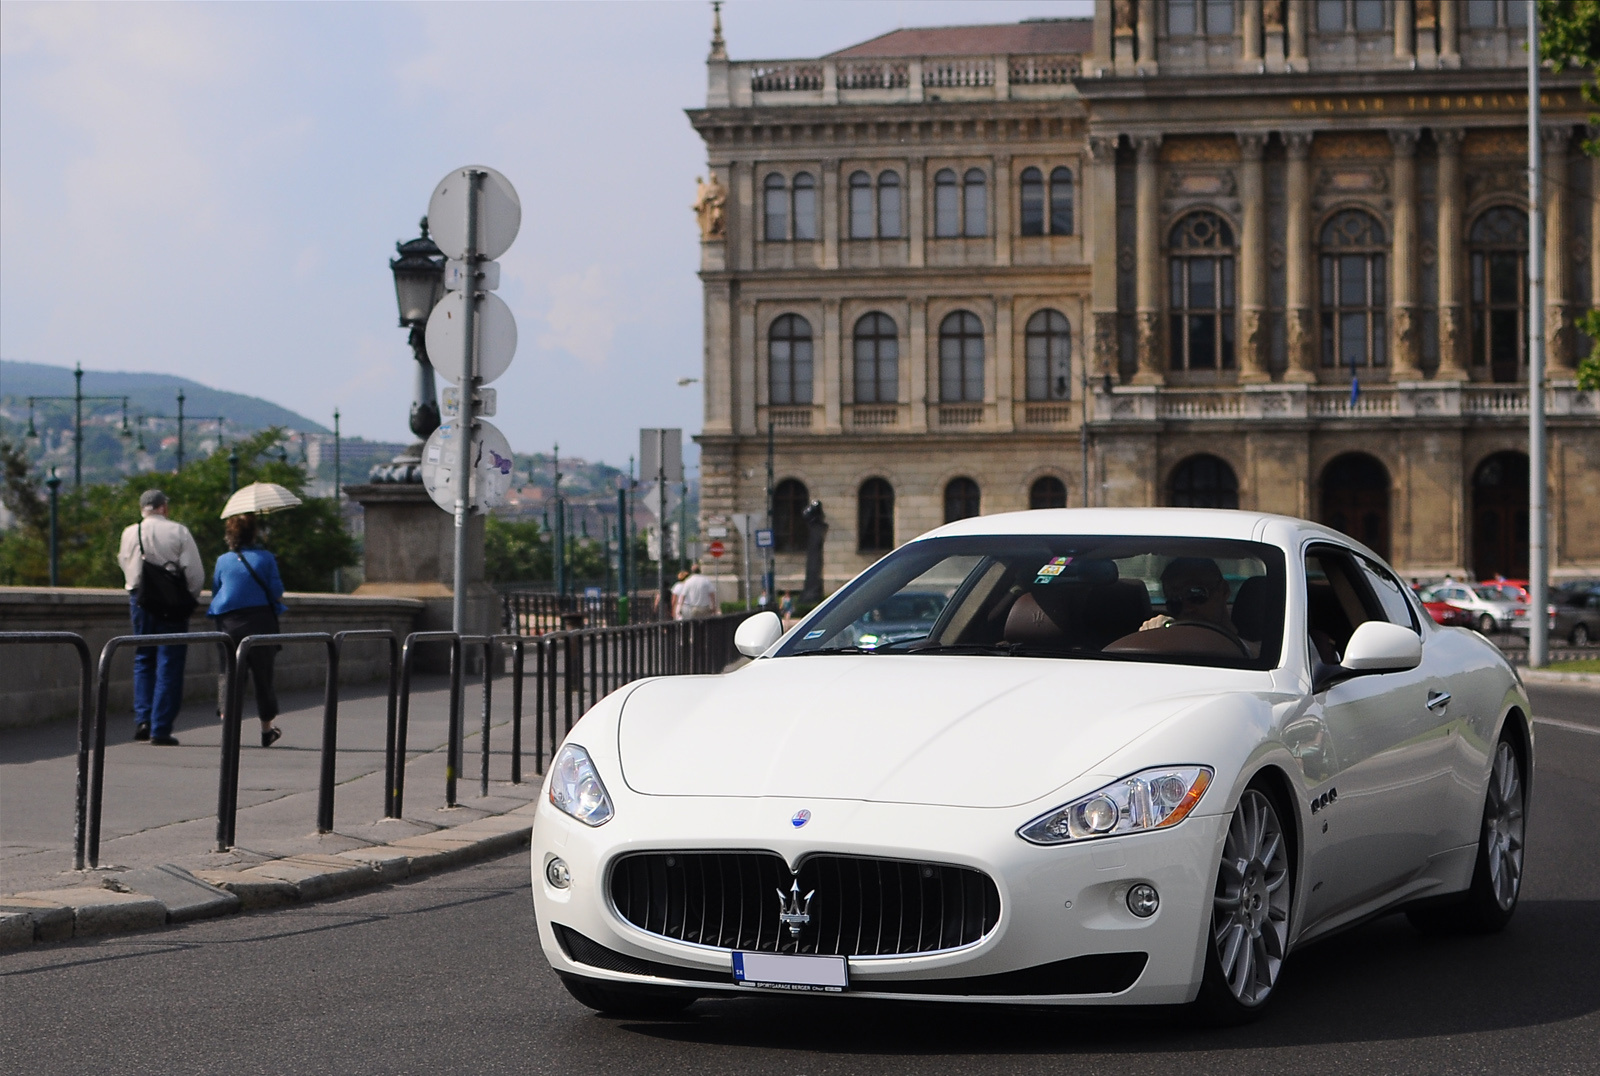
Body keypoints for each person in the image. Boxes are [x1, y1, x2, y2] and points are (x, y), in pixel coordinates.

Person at [118, 490, 203, 745]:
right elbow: (194, 572)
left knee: (144, 657)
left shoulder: (130, 532)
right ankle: (161, 727)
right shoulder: (179, 532)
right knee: (170, 662)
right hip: (172, 603)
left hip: (141, 600)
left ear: (142, 508)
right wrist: (189, 598)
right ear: (163, 507)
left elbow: (124, 562)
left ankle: (143, 719)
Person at [208, 513, 288, 747]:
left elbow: (216, 592)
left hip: (228, 624)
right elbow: (277, 593)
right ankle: (266, 730)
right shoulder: (266, 558)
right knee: (264, 677)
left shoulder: (223, 560)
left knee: (229, 675)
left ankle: (228, 728)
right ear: (254, 532)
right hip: (261, 623)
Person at [1140, 557, 1253, 656]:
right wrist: (1151, 637)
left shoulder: (1261, 650)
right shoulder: (1170, 646)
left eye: (1196, 594)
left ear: (1223, 591)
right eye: (1175, 601)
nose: (1187, 608)